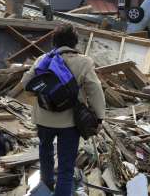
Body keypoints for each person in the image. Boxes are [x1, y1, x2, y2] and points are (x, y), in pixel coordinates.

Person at [21, 24, 105, 195]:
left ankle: (46, 186)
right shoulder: (84, 62)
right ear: (74, 43)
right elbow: (95, 90)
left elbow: (26, 85)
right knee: (66, 167)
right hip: (70, 122)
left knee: (45, 154)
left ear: (55, 42)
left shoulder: (43, 60)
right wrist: (99, 117)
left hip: (44, 119)